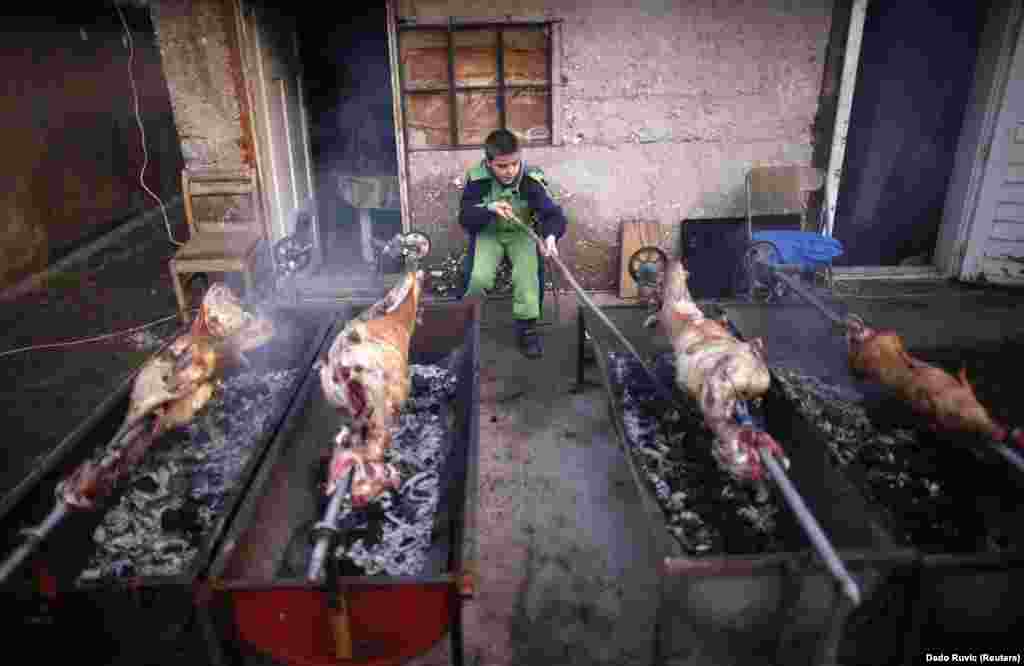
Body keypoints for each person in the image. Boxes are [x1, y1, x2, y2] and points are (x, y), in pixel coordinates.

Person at [458, 129, 568, 358]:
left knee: (527, 277)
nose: (510, 171)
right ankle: (466, 325)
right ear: (489, 163)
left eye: (514, 164)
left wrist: (550, 237)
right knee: (478, 277)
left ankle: (527, 331)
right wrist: (489, 209)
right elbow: (465, 218)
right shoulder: (477, 180)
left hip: (521, 234)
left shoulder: (530, 180)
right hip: (489, 234)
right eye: (502, 166)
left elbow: (553, 214)